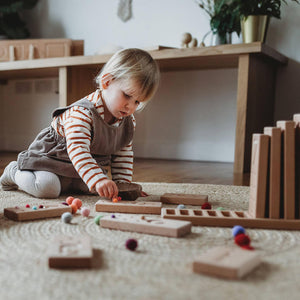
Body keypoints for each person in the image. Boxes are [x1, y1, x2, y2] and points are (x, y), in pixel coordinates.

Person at [0, 48, 160, 199]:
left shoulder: (128, 121)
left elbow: (122, 155)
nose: (130, 106)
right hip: (51, 161)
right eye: (126, 95)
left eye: (137, 102)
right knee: (48, 188)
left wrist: (123, 186)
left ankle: (70, 183)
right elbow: (78, 150)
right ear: (107, 82)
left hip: (80, 168)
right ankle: (14, 171)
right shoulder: (82, 113)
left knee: (102, 189)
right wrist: (97, 179)